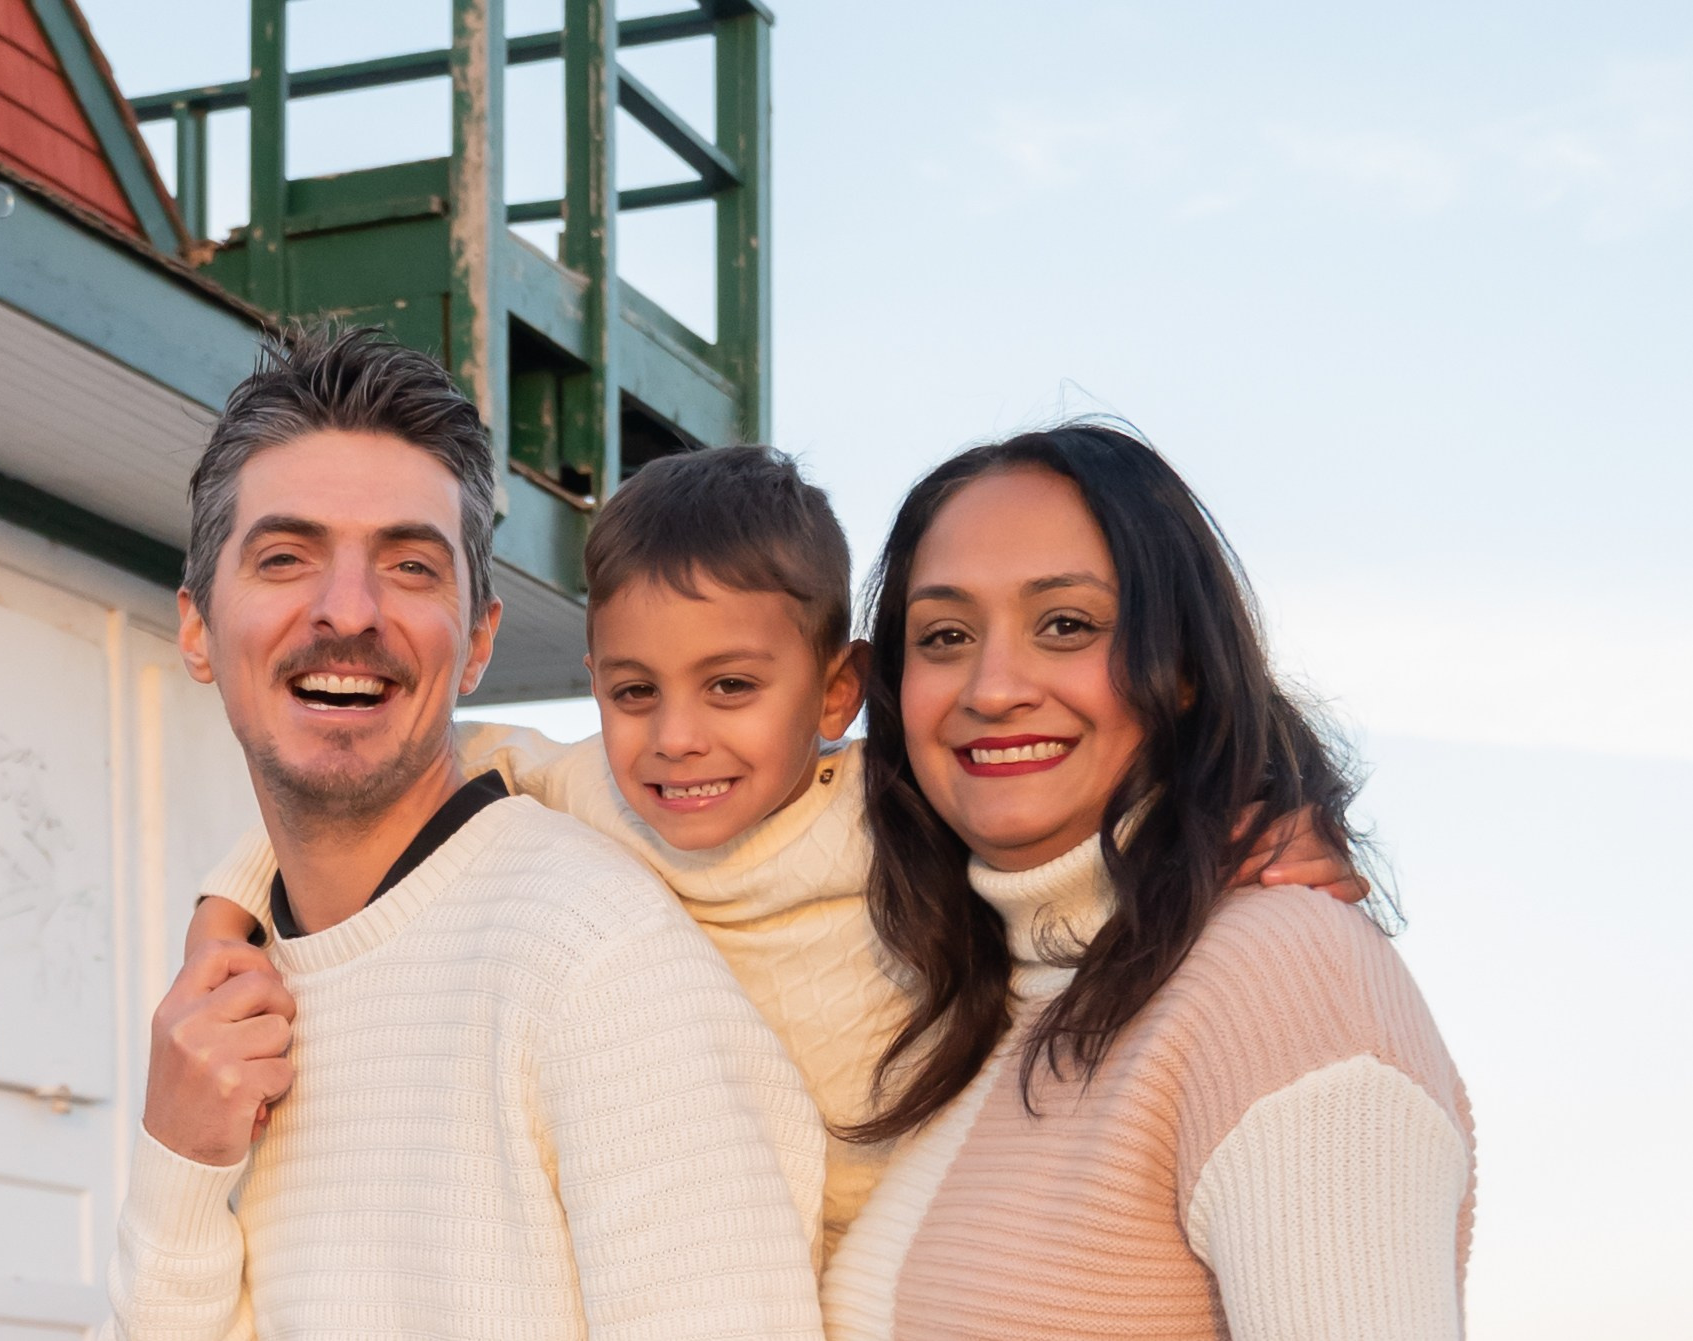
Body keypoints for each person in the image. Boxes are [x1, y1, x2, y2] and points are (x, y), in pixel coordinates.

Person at [188, 445, 1368, 1259]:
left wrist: (1271, 812)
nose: (677, 738)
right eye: (633, 691)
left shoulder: (890, 811)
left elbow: (1098, 822)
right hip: (705, 1257)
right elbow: (359, 782)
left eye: (732, 688)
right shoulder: (577, 791)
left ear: (837, 689)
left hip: (903, 1257)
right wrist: (225, 915)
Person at [107, 327, 826, 1341]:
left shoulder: (591, 960)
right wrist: (178, 1163)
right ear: (195, 629)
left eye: (408, 565)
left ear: (479, 639)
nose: (346, 611)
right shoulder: (223, 1004)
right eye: (284, 557)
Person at [821, 425, 1474, 1340]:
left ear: (1185, 674)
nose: (992, 685)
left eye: (1066, 624)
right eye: (944, 635)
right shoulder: (987, 997)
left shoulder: (1282, 977)